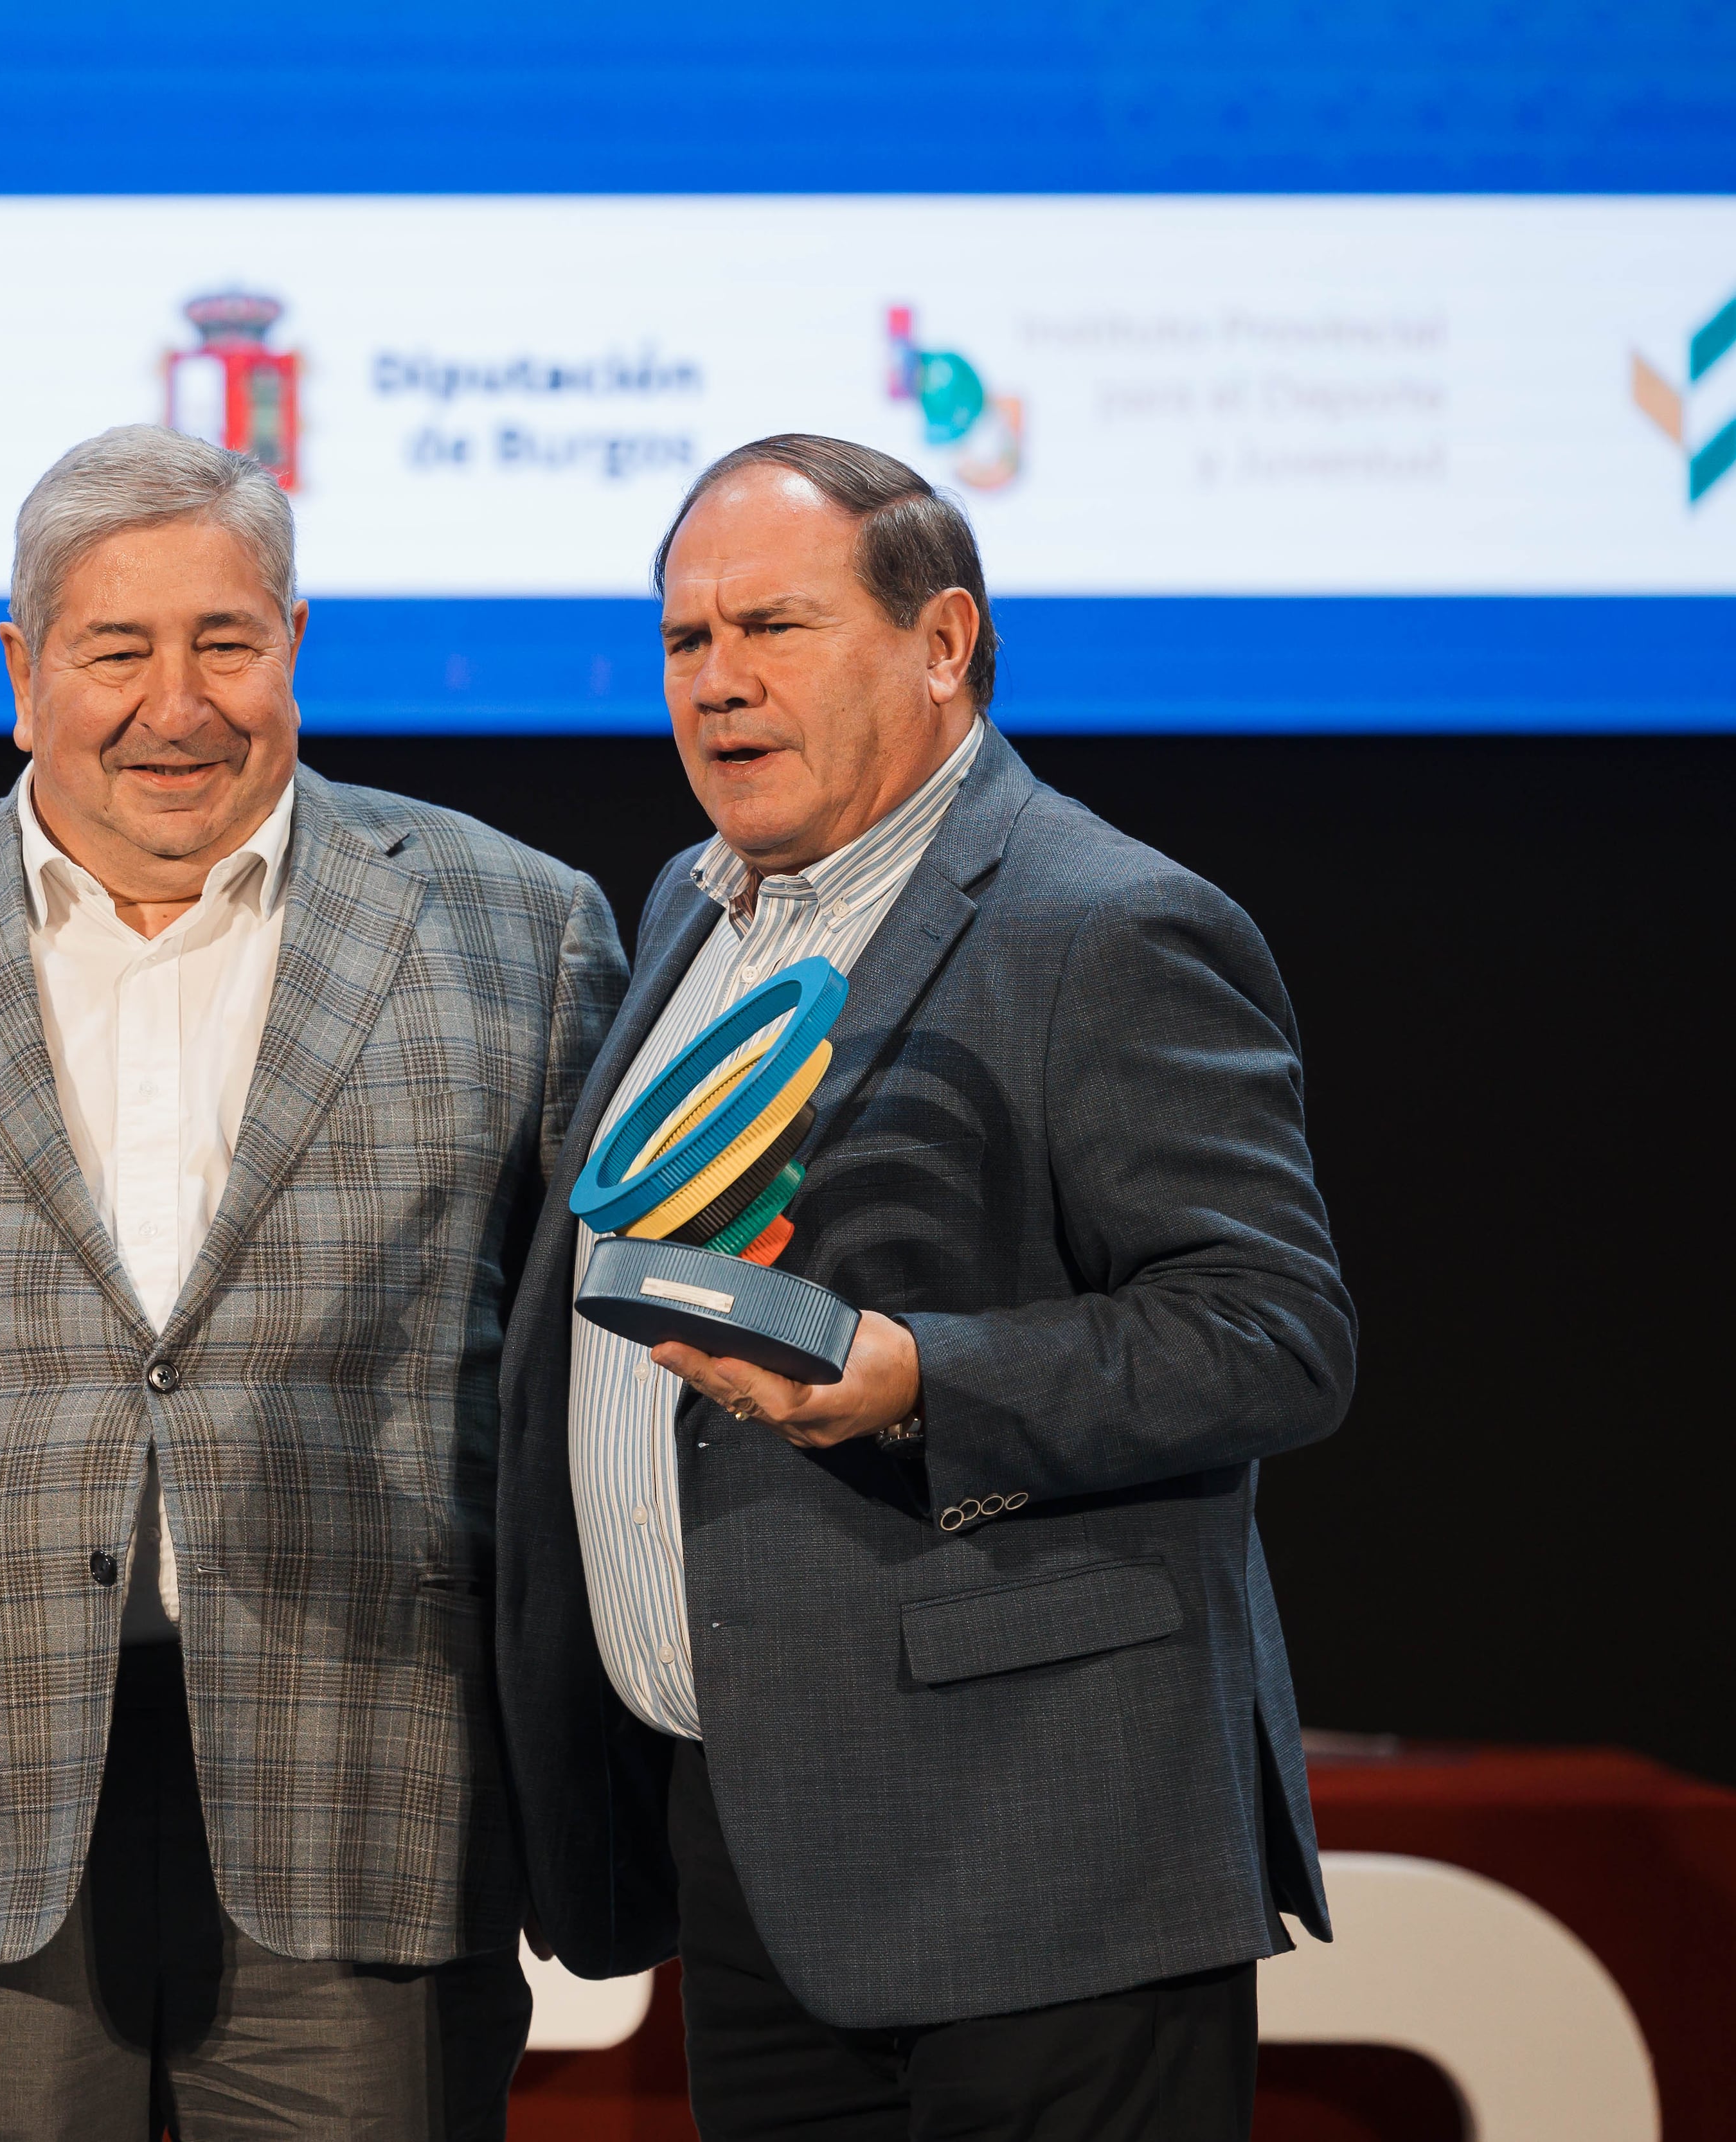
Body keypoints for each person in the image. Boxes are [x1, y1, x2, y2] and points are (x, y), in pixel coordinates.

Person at [0, 424, 625, 2139]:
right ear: (26, 677)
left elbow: (594, 1398)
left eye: (226, 644)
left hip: (377, 1816)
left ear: (294, 651)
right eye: (117, 650)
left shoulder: (516, 932)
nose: (177, 705)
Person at [495, 434, 1357, 2141]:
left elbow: (1275, 1335)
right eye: (686, 642)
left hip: (1040, 1853)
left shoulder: (1103, 925)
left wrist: (920, 1379)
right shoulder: (695, 902)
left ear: (944, 641)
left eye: (776, 628)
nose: (718, 683)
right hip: (760, 1850)